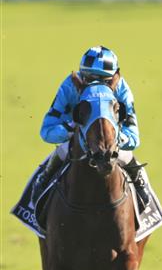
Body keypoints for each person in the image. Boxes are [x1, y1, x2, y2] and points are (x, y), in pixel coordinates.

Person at [34, 45, 149, 205]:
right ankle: (43, 181)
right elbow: (47, 131)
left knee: (126, 155)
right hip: (75, 142)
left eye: (106, 81)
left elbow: (134, 139)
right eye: (90, 79)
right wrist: (72, 128)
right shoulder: (69, 86)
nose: (97, 89)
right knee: (62, 150)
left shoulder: (122, 89)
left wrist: (113, 136)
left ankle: (141, 190)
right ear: (81, 77)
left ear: (115, 78)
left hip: (113, 144)